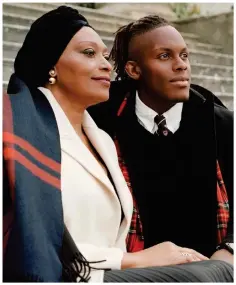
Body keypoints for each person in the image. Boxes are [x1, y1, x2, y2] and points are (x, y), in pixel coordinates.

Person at [3, 6, 233, 283]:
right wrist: (135, 260)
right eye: (89, 53)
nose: (106, 65)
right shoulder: (31, 126)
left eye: (185, 55)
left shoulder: (101, 139)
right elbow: (35, 241)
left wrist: (227, 249)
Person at [88, 14, 234, 267]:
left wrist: (229, 250)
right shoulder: (100, 122)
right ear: (134, 70)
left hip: (211, 268)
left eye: (184, 55)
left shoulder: (221, 124)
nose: (182, 65)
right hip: (134, 269)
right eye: (164, 56)